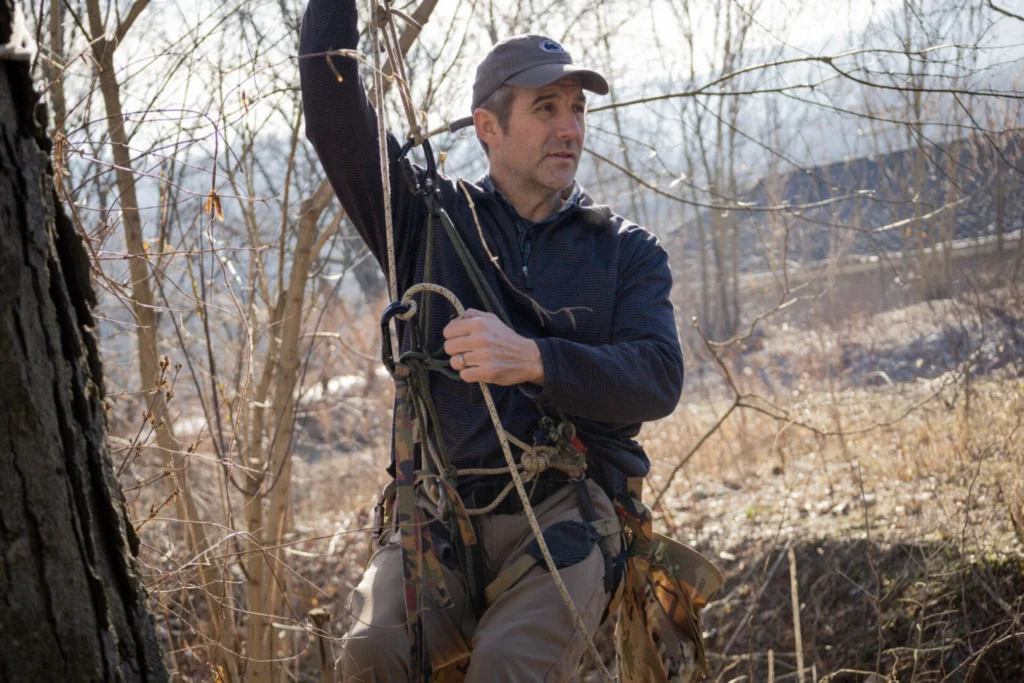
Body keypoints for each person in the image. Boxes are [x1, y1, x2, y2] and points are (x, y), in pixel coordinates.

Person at [298, 1, 684, 680]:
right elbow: (333, 112)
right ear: (487, 126)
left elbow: (657, 376)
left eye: (577, 110)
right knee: (369, 652)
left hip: (565, 518)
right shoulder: (428, 223)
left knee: (507, 666)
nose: (569, 128)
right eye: (546, 108)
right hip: (441, 525)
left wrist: (532, 358)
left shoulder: (625, 252)